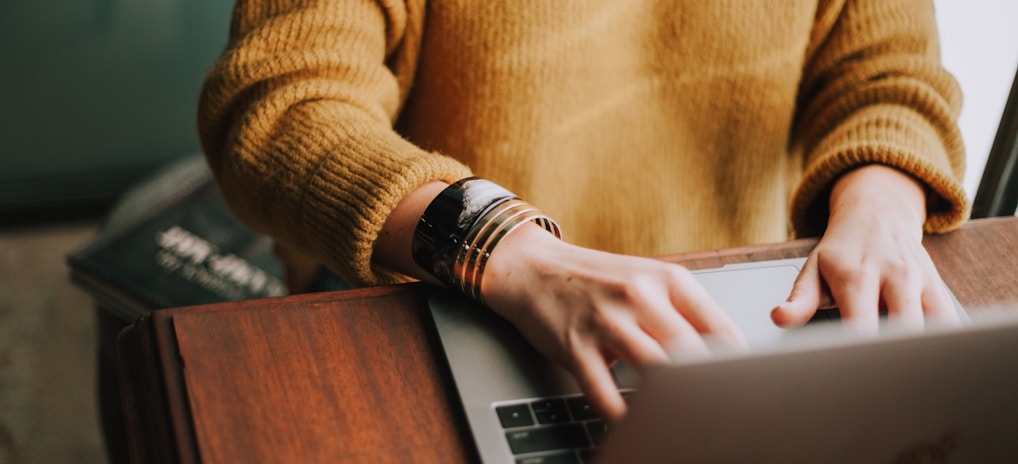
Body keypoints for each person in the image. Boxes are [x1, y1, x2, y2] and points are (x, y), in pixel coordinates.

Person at [197, 0, 970, 422]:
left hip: (737, 320)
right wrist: (509, 250)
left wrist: (882, 202)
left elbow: (890, 70)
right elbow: (280, 106)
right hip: (444, 297)